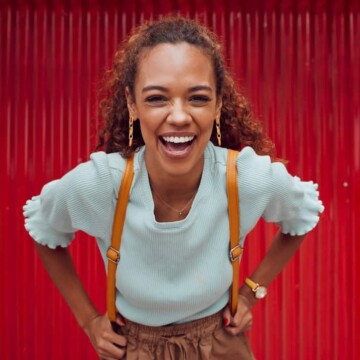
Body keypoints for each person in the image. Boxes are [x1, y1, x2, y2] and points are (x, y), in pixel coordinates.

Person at [23, 16, 324, 360]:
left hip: (221, 344)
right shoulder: (101, 184)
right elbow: (44, 228)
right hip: (132, 348)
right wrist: (89, 320)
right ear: (132, 104)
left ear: (218, 103)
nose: (179, 116)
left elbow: (302, 217)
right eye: (156, 99)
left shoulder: (244, 178)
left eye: (197, 98)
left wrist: (251, 291)